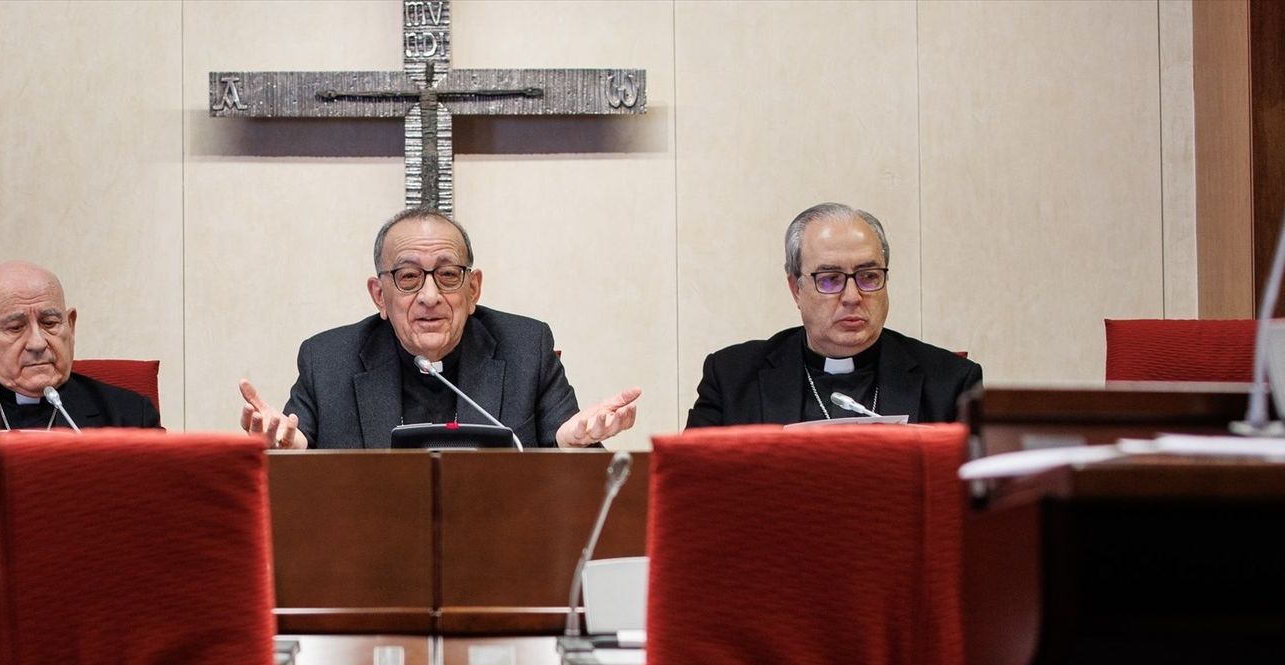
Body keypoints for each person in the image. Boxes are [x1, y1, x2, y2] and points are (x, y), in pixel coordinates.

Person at [239, 207, 641, 449]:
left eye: (448, 275)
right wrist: (290, 451)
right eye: (409, 276)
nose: (430, 296)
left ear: (473, 289)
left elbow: (567, 446)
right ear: (379, 295)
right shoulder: (328, 361)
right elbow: (297, 441)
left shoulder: (526, 349)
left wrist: (569, 445)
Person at [686, 202, 981, 427]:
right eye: (830, 279)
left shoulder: (952, 383)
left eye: (868, 276)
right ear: (795, 288)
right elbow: (690, 486)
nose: (852, 297)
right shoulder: (732, 378)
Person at [0, 261, 160, 429]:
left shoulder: (130, 416)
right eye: (15, 327)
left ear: (71, 325)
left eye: (50, 322)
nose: (37, 343)